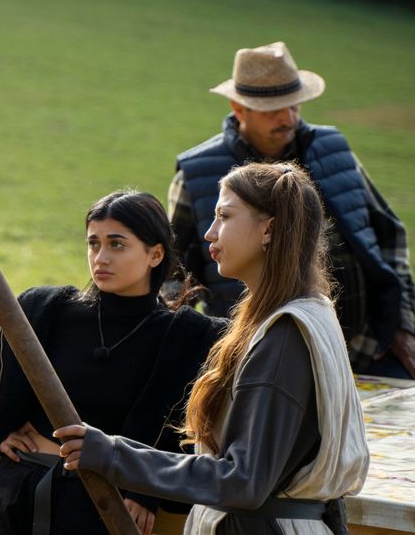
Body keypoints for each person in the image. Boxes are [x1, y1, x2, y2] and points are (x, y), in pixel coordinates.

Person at [56, 163, 369, 535]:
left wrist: (112, 455)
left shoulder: (284, 337)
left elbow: (243, 480)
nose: (209, 232)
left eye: (224, 216)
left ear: (268, 228)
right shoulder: (305, 313)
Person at [0, 190, 225, 535]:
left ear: (155, 254)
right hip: (18, 494)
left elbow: (192, 422)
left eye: (117, 244)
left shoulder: (188, 337)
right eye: (93, 244)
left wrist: (147, 490)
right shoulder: (44, 310)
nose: (101, 257)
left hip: (103, 507)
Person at [168, 41, 415, 379]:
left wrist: (401, 326)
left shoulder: (336, 150)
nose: (288, 118)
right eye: (273, 109)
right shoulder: (196, 172)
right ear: (239, 107)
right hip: (257, 361)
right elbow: (173, 276)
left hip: (364, 352)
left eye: (294, 105)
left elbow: (389, 237)